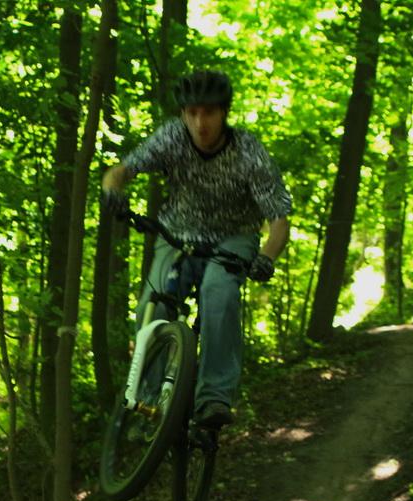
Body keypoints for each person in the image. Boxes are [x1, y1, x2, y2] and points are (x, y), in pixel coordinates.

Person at [101, 69, 291, 432]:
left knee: (218, 294)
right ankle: (147, 402)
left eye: (209, 112)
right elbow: (122, 170)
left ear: (224, 113)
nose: (199, 122)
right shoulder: (172, 137)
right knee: (152, 305)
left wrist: (266, 257)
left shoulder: (249, 151)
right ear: (182, 114)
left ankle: (214, 398)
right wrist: (113, 192)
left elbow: (279, 219)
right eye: (191, 113)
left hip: (232, 237)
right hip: (177, 232)